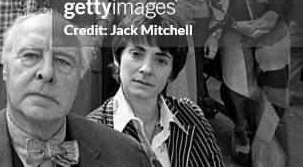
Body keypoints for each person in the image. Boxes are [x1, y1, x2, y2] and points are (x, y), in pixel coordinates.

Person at [0, 11, 151, 166]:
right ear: (5, 68)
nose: (47, 72)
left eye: (63, 61)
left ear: (80, 77)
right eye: (31, 56)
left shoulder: (127, 157)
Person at [86, 13, 224, 167]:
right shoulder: (89, 134)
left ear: (172, 72)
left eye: (160, 60)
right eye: (137, 54)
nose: (146, 69)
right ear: (117, 58)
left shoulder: (191, 116)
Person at [217, 0, 290, 165]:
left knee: (274, 90)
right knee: (237, 87)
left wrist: (269, 17)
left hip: (270, 27)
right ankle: (240, 128)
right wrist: (236, 23)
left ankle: (266, 147)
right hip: (234, 30)